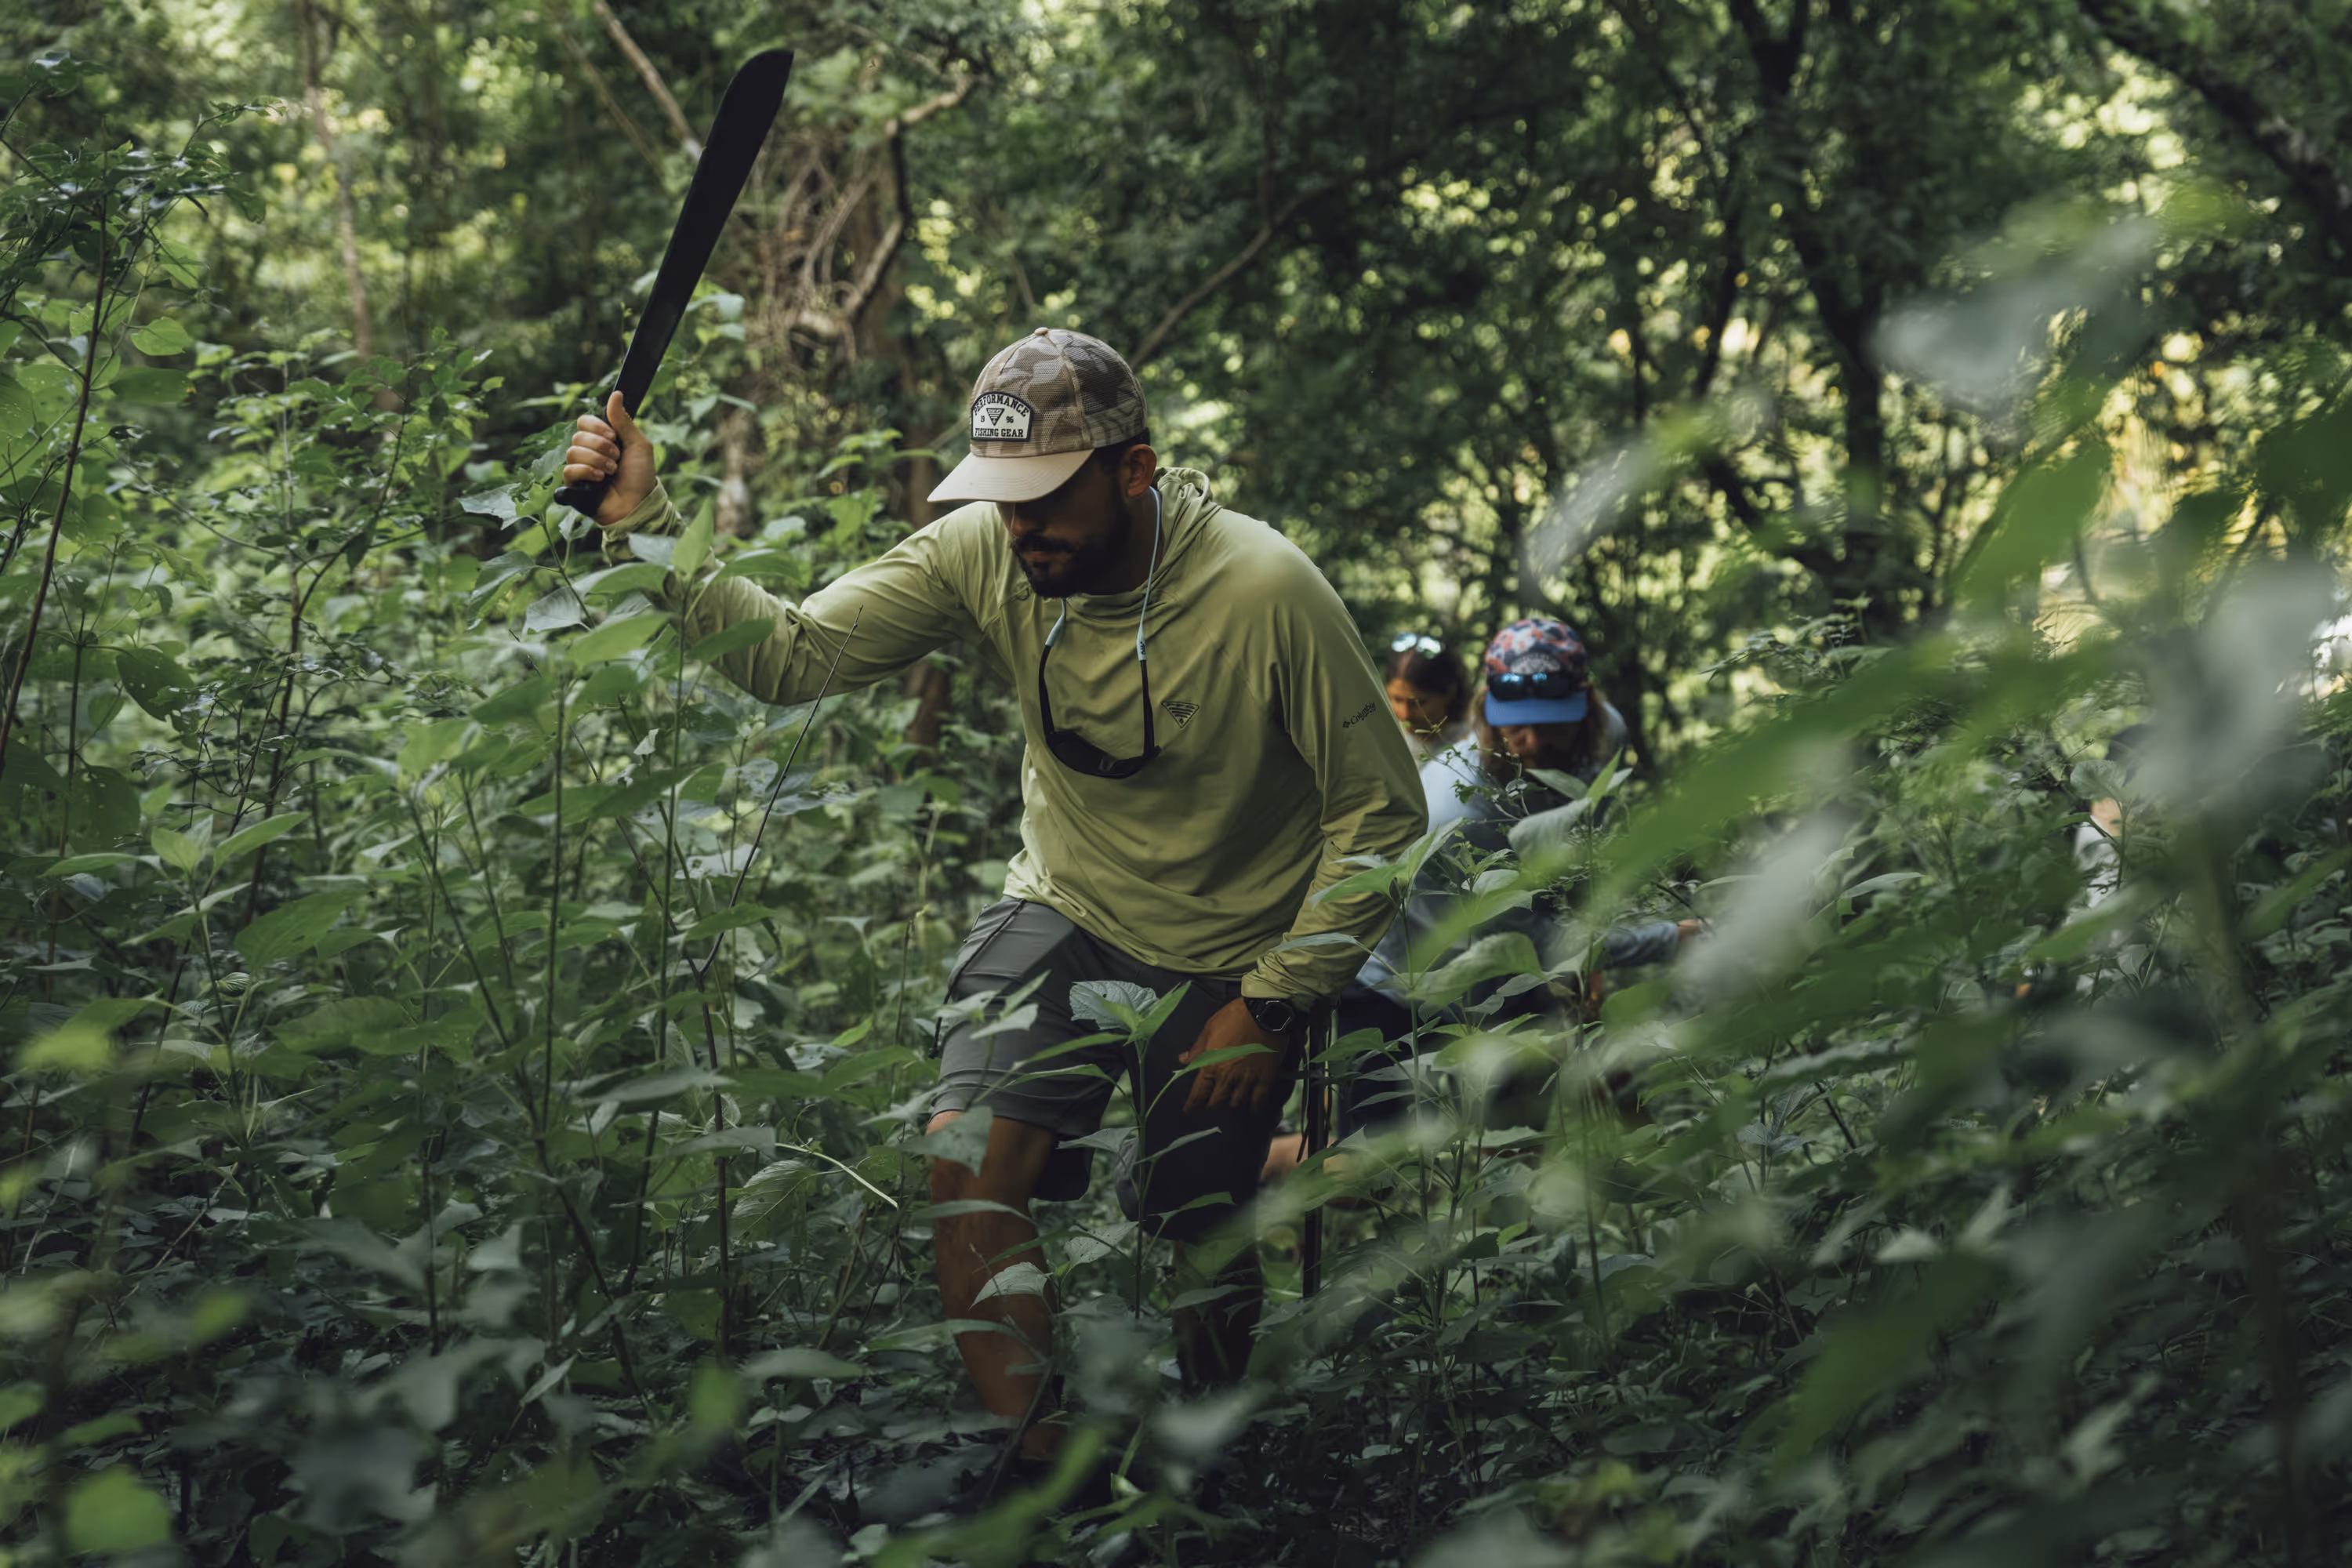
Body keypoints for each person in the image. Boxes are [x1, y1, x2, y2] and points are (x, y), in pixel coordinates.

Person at [561, 328, 1425, 1484]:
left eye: (1047, 498)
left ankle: (1215, 1461)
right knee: (963, 1158)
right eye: (1003, 498)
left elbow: (1381, 817)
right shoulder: (985, 546)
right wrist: (645, 525)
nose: (1021, 527)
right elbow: (795, 656)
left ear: (1133, 470)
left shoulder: (1265, 590)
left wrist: (1274, 1003)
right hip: (1064, 905)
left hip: (1234, 954)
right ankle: (1047, 1476)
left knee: (1201, 1231)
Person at [1263, 619, 1694, 1176]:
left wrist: (1588, 948)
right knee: (1366, 1173)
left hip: (1502, 974)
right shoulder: (1459, 807)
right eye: (1516, 724)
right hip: (1396, 977)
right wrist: (1667, 940)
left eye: (1550, 724)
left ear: (1586, 706)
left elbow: (1584, 841)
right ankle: (1251, 1161)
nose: (1531, 741)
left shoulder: (1606, 734)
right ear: (1486, 709)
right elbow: (1535, 944)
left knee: (1517, 1146)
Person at [1384, 633, 1471, 762]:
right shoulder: (1384, 739)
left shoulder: (1475, 740)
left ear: (1449, 693)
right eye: (1397, 699)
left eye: (1418, 703)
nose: (1405, 714)